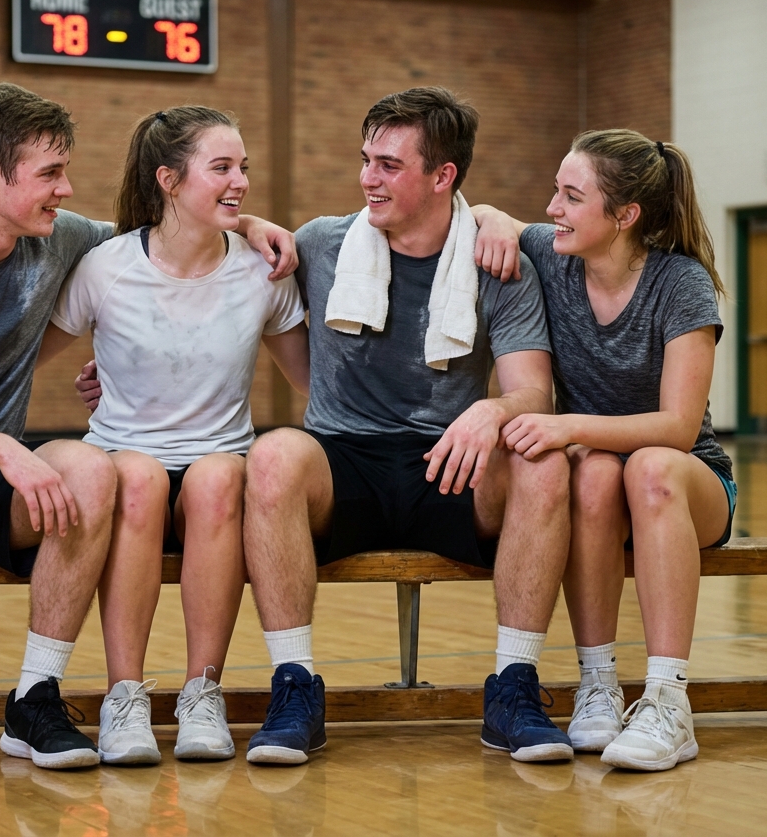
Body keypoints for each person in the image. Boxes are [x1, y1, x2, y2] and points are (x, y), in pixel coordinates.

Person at [0, 83, 297, 781]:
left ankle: (35, 695)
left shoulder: (60, 238)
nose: (65, 190)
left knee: (92, 470)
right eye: (50, 174)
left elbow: (170, 231)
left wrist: (249, 225)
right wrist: (6, 448)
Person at [239, 86, 574, 766]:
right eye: (366, 159)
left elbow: (533, 392)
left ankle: (513, 689)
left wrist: (493, 410)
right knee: (272, 455)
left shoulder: (496, 260)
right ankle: (295, 689)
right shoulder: (322, 243)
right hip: (344, 461)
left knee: (543, 462)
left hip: (450, 462)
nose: (369, 177)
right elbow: (208, 259)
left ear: (442, 175)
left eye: (389, 165)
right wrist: (246, 224)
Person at [42, 106, 309, 765]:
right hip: (123, 468)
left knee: (218, 479)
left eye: (243, 167)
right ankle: (124, 697)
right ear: (168, 179)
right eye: (221, 167)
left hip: (215, 472)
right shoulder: (105, 267)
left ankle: (202, 693)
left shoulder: (261, 269)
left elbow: (315, 382)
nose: (240, 181)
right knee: (137, 478)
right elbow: (22, 357)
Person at [476, 129, 735, 772]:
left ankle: (669, 701)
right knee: (592, 474)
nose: (553, 208)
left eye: (571, 196)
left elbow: (678, 428)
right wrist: (496, 222)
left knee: (646, 467)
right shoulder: (553, 253)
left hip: (687, 482)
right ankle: (598, 685)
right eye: (555, 192)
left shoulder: (682, 283)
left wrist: (569, 426)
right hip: (603, 477)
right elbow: (480, 212)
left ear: (625, 215)